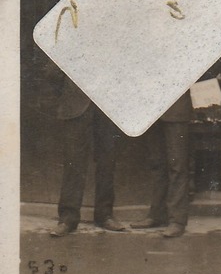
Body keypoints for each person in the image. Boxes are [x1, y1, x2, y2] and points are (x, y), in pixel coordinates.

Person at [49, 74, 126, 237]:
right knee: (73, 162)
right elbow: (53, 73)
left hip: (107, 106)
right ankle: (67, 219)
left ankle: (105, 215)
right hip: (75, 105)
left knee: (107, 160)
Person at [131, 90, 192, 238]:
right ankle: (157, 214)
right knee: (157, 163)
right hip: (152, 109)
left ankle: (177, 221)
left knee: (177, 165)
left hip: (176, 110)